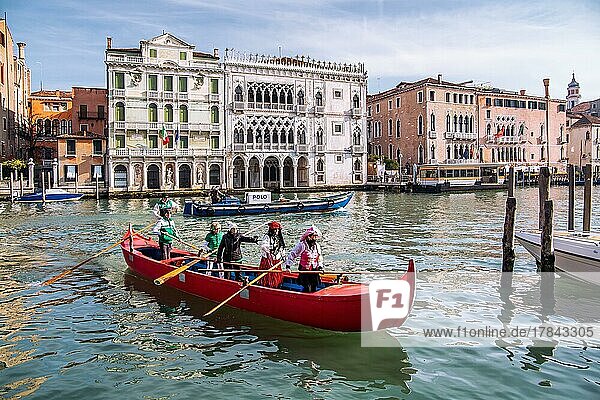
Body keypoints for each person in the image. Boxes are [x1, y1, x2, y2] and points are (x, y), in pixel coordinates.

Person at [285, 225, 323, 293]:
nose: (315, 238)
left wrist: (320, 266)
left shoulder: (317, 245)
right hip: (304, 270)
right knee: (307, 287)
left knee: (314, 287)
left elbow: (319, 257)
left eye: (315, 236)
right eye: (313, 236)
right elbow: (292, 254)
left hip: (314, 270)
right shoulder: (302, 245)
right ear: (309, 236)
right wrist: (288, 266)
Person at [258, 221, 286, 288]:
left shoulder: (279, 237)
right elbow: (263, 246)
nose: (276, 231)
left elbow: (282, 247)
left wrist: (283, 255)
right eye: (275, 230)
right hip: (268, 260)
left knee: (276, 274)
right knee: (268, 276)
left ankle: (276, 285)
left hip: (276, 260)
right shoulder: (267, 237)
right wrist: (271, 247)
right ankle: (267, 285)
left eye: (277, 229)